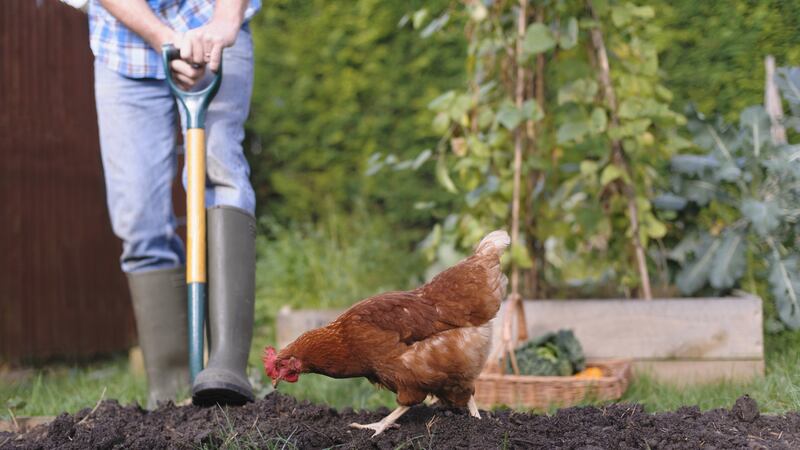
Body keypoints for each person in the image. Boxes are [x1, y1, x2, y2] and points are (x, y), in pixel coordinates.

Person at [88, 0, 261, 408]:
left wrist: (224, 23)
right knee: (139, 219)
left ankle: (227, 368)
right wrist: (165, 39)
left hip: (213, 35)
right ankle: (168, 391)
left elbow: (224, 22)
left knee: (221, 174)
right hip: (123, 48)